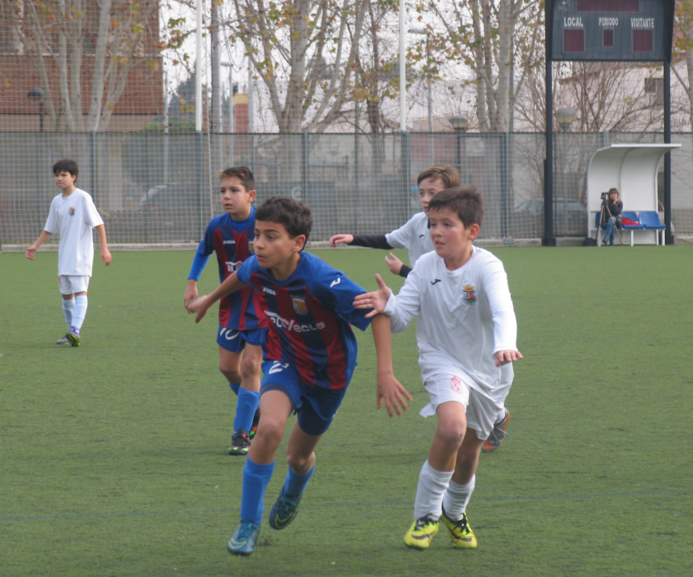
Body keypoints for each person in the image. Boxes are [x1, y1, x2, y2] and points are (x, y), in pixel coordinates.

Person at [190, 196, 412, 556]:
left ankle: (294, 488)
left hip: (330, 375)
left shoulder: (322, 279)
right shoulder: (258, 266)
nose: (259, 244)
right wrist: (209, 299)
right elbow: (240, 274)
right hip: (285, 360)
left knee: (298, 456)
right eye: (257, 235)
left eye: (271, 236)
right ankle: (248, 523)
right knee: (270, 427)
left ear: (298, 244)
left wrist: (384, 373)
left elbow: (378, 314)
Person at [353, 186, 522, 550]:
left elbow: (502, 310)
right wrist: (388, 304)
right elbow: (400, 320)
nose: (436, 232)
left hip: (491, 370)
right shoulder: (426, 267)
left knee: (471, 451)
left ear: (471, 231)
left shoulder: (488, 265)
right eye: (432, 224)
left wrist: (505, 343)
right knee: (451, 429)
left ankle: (455, 512)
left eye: (447, 224)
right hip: (441, 360)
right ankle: (427, 514)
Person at [184, 166, 267, 456]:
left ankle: (241, 433)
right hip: (231, 306)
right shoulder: (217, 227)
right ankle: (256, 407)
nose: (227, 196)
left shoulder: (264, 224)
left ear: (251, 195)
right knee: (228, 368)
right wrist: (191, 283)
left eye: (234, 190)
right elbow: (203, 250)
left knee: (250, 367)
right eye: (223, 191)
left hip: (263, 306)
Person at [26, 159, 112, 346]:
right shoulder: (57, 201)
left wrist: (104, 249)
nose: (59, 178)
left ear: (74, 177)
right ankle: (71, 333)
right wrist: (35, 246)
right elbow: (50, 228)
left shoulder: (83, 198)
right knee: (66, 296)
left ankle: (75, 330)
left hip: (81, 256)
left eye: (64, 175)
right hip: (64, 256)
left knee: (81, 292)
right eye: (57, 175)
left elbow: (99, 224)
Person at [329, 164, 460, 278]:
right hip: (420, 292)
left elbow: (442, 281)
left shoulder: (456, 231)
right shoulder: (418, 221)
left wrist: (403, 270)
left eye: (432, 193)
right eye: (421, 193)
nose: (425, 199)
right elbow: (388, 240)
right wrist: (352, 238)